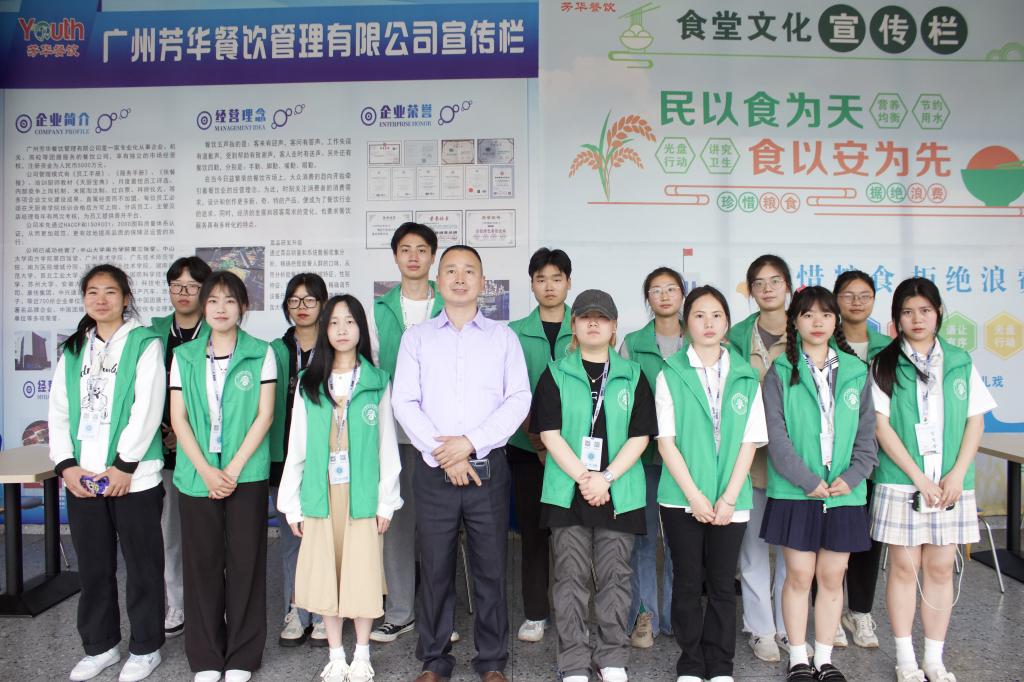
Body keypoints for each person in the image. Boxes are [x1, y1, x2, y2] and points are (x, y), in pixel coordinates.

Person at [392, 244, 531, 682]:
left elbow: (518, 400)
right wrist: (446, 454)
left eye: (469, 271)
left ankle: (491, 661)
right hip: (434, 473)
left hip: (487, 471)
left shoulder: (503, 338)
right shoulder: (417, 338)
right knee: (435, 568)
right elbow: (404, 401)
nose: (459, 278)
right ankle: (434, 660)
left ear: (482, 283)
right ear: (438, 281)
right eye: (450, 270)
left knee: (491, 568)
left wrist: (469, 443)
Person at [869, 277, 996, 682]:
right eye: (907, 312)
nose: (917, 319)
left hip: (952, 484)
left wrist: (957, 473)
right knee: (904, 569)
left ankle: (934, 659)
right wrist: (918, 477)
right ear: (896, 319)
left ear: (938, 312)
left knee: (941, 569)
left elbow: (975, 420)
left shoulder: (959, 360)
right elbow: (881, 426)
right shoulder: (884, 363)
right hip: (902, 482)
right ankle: (905, 658)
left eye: (925, 310)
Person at [49, 264, 167, 682]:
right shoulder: (73, 349)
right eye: (93, 292)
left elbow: (147, 408)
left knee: (143, 566)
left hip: (134, 478)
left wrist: (124, 465)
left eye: (110, 292)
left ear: (126, 298)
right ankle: (100, 646)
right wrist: (66, 466)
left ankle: (146, 647)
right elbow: (59, 411)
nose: (101, 300)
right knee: (94, 567)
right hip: (84, 479)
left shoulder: (144, 344)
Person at [532, 289, 657, 682]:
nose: (593, 323)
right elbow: (548, 433)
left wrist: (606, 478)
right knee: (569, 578)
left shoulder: (633, 375)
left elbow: (641, 436)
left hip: (618, 492)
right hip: (568, 491)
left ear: (614, 327)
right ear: (574, 325)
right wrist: (585, 478)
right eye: (585, 317)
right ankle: (573, 662)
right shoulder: (555, 372)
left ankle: (612, 658)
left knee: (615, 577)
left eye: (601, 318)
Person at [278, 294, 403, 682]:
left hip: (362, 495)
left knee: (362, 576)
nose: (342, 330)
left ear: (361, 329)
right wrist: (291, 504)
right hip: (321, 495)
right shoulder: (310, 383)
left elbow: (387, 446)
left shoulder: (376, 382)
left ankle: (362, 653)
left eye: (350, 322)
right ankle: (335, 654)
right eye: (334, 322)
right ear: (324, 330)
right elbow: (296, 446)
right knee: (324, 576)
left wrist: (386, 501)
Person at [761, 286, 877, 682]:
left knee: (831, 578)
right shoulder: (780, 371)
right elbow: (776, 437)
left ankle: (825, 659)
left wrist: (854, 475)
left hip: (845, 492)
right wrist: (807, 480)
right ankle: (798, 657)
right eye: (808, 315)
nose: (817, 322)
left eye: (826, 315)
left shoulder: (857, 371)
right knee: (798, 576)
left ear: (835, 321)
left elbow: (868, 434)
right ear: (795, 321)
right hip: (797, 491)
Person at [169, 271, 276, 682]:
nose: (220, 308)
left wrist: (230, 470)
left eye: (230, 300)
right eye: (213, 300)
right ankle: (207, 657)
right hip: (196, 475)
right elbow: (178, 418)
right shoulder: (184, 356)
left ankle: (244, 655)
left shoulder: (261, 353)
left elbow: (265, 415)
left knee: (247, 563)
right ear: (203, 306)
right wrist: (206, 470)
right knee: (202, 565)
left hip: (245, 474)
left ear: (243, 307)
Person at [656, 285, 766, 682]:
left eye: (716, 315)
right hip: (681, 498)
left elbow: (750, 442)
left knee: (721, 584)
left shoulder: (745, 375)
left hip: (730, 499)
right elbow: (666, 442)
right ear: (686, 323)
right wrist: (696, 497)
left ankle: (720, 664)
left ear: (727, 323)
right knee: (687, 582)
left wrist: (729, 497)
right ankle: (690, 662)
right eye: (699, 315)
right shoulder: (670, 373)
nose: (708, 323)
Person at [368, 222, 445, 644]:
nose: (413, 257)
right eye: (405, 249)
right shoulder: (378, 309)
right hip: (393, 434)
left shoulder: (449, 302)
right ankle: (400, 612)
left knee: (439, 525)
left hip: (442, 437)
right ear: (395, 256)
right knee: (397, 524)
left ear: (433, 255)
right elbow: (373, 370)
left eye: (421, 249)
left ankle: (439, 614)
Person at [727, 254, 792, 662]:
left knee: (791, 552)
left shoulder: (805, 329)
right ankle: (760, 629)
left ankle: (788, 626)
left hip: (794, 464)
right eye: (759, 283)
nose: (767, 289)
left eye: (775, 281)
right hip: (748, 462)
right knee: (751, 551)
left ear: (788, 286)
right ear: (750, 291)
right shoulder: (736, 337)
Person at [506, 247, 573, 643]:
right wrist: (537, 440)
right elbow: (507, 391)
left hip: (574, 454)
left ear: (568, 282)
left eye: (556, 279)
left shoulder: (583, 326)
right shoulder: (513, 333)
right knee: (532, 534)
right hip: (525, 451)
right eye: (541, 279)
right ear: (531, 284)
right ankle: (535, 613)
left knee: (571, 536)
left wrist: (557, 447)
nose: (549, 286)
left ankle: (572, 611)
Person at [619, 266, 684, 648]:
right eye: (656, 290)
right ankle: (644, 615)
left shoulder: (698, 339)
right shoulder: (633, 343)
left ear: (682, 295)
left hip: (686, 460)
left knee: (680, 541)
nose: (664, 295)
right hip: (642, 459)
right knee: (641, 540)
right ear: (647, 298)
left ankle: (677, 615)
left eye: (671, 289)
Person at [151, 255, 212, 640]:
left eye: (192, 286)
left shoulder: (218, 330)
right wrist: (163, 431)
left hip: (207, 454)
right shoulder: (154, 335)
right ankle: (176, 602)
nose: (184, 293)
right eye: (177, 286)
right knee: (169, 533)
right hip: (163, 453)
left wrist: (185, 431)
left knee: (208, 536)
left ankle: (210, 603)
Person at [268, 273, 329, 647]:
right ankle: (296, 609)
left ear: (323, 304)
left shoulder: (334, 347)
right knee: (292, 537)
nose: (301, 307)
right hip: (282, 456)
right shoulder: (273, 350)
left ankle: (323, 611)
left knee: (323, 537)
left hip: (325, 460)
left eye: (309, 300)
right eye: (294, 300)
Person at [831, 270, 891, 648]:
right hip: (835, 460)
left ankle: (860, 612)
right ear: (836, 300)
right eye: (848, 295)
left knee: (869, 540)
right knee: (831, 541)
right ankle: (831, 610)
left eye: (864, 295)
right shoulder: (823, 342)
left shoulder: (889, 348)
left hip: (879, 458)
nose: (856, 302)